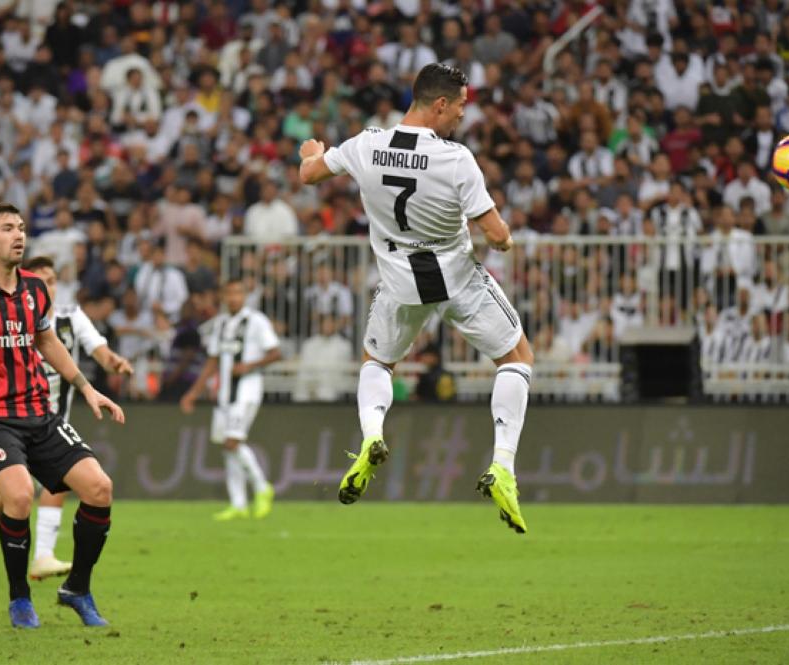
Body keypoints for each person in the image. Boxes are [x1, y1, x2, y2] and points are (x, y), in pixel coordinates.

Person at [298, 64, 534, 534]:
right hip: (458, 281)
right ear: (440, 104)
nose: (464, 115)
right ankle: (503, 464)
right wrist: (505, 240)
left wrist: (312, 152)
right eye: (462, 106)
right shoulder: (456, 159)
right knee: (517, 357)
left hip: (400, 285)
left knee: (376, 362)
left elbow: (309, 176)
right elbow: (495, 233)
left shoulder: (366, 144)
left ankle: (371, 438)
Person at [0, 203, 125, 629]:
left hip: (40, 412)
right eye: (7, 229)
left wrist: (87, 388)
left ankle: (77, 588)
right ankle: (19, 598)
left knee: (99, 488)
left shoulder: (35, 288)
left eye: (21, 228)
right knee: (17, 496)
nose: (18, 235)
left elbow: (46, 340)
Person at [0, 255, 132, 585]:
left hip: (51, 422)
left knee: (27, 493)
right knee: (21, 495)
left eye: (52, 280)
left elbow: (96, 346)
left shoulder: (69, 316)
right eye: (42, 280)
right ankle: (37, 558)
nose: (48, 286)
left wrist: (113, 361)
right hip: (8, 422)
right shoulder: (7, 315)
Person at [180, 279, 281, 520]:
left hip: (247, 391)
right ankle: (238, 504)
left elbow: (275, 353)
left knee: (232, 443)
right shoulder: (222, 323)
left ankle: (262, 487)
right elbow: (212, 361)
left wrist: (249, 365)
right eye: (229, 293)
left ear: (245, 296)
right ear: (224, 296)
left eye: (238, 293)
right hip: (224, 395)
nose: (234, 297)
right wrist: (194, 392)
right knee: (227, 450)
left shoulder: (256, 321)